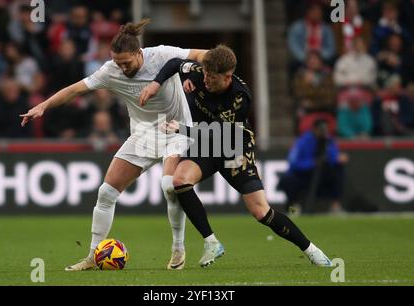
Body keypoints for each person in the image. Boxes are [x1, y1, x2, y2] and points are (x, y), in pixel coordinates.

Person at [20, 19, 208, 271]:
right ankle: (91, 255)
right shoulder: (110, 70)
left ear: (139, 53)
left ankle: (177, 249)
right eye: (117, 62)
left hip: (175, 131)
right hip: (142, 135)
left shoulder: (162, 55)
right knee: (106, 193)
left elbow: (200, 55)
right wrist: (43, 105)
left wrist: (206, 72)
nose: (122, 68)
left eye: (126, 63)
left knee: (168, 186)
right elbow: (75, 90)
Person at [139, 45, 333, 268]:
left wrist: (180, 129)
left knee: (261, 211)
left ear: (227, 76)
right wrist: (156, 84)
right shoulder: (200, 72)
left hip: (233, 148)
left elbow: (219, 132)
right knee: (179, 181)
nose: (206, 80)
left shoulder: (240, 97)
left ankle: (311, 250)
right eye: (204, 74)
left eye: (211, 77)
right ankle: (211, 242)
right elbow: (174, 64)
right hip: (206, 145)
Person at [278, 119, 348, 214]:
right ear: (314, 129)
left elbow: (333, 157)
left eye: (325, 130)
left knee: (338, 172)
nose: (323, 132)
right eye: (321, 129)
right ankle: (293, 209)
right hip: (302, 174)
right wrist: (312, 163)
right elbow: (293, 162)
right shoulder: (303, 141)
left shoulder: (328, 141)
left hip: (321, 174)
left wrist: (337, 158)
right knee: (290, 182)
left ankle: (335, 206)